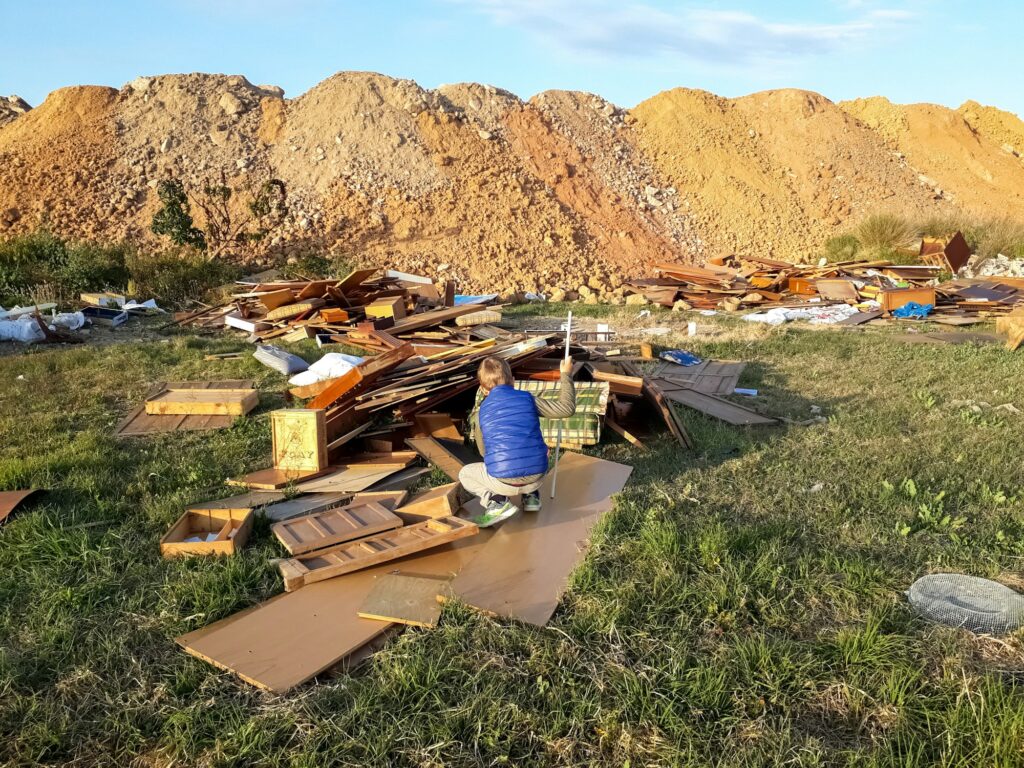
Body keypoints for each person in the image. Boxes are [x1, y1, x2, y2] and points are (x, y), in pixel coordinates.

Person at [460, 355, 576, 527]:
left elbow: (484, 452)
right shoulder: (528, 399)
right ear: (513, 381)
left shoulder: (480, 413)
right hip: (537, 477)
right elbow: (566, 409)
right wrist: (566, 374)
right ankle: (531, 498)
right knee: (526, 450)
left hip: (502, 482)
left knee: (465, 473)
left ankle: (496, 502)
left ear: (483, 389)